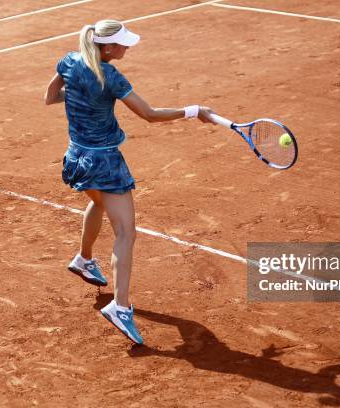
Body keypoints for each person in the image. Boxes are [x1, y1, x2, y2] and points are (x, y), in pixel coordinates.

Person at [44, 19, 215, 345]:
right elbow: (149, 114)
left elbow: (50, 96)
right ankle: (120, 307)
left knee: (97, 203)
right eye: (122, 44)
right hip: (105, 163)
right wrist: (193, 110)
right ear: (106, 47)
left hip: (76, 158)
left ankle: (83, 258)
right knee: (126, 232)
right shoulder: (109, 77)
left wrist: (78, 96)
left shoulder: (69, 60)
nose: (126, 48)